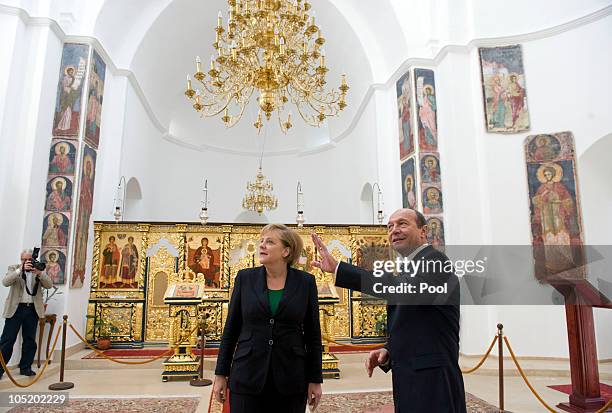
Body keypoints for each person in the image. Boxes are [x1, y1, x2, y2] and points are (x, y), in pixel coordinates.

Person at [311, 209, 466, 413]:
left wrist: (340, 269)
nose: (394, 230)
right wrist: (388, 349)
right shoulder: (411, 267)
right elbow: (417, 322)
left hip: (432, 378)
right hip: (413, 375)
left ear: (423, 231)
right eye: (390, 226)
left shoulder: (435, 262)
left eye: (402, 224)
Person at [213, 224, 323, 413]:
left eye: (270, 242)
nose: (262, 245)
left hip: (291, 376)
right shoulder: (245, 279)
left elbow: (313, 335)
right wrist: (221, 374)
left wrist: (315, 379)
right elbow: (231, 329)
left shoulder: (305, 282)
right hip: (247, 374)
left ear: (286, 251)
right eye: (261, 241)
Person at [0, 249, 53, 379]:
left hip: (32, 310)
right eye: (24, 259)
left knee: (29, 340)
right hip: (15, 309)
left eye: (29, 259)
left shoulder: (37, 270)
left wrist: (40, 273)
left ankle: (26, 367)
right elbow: (6, 282)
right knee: (7, 340)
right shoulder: (14, 268)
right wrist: (20, 270)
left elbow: (49, 285)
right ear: (21, 259)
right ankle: (0, 369)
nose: (27, 262)